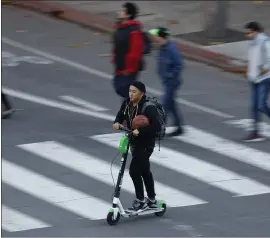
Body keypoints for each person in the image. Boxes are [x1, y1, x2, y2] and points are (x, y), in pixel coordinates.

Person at [113, 81, 161, 211]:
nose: (131, 94)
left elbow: (157, 126)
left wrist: (140, 130)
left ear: (142, 93)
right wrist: (117, 122)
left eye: (134, 92)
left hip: (146, 144)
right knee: (145, 171)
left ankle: (140, 200)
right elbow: (121, 114)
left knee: (134, 171)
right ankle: (152, 200)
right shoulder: (127, 103)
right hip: (133, 142)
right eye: (130, 91)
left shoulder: (148, 107)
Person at [148, 27, 184, 136]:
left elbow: (179, 64)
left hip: (172, 82)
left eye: (155, 36)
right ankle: (179, 127)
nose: (153, 38)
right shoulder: (162, 48)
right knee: (171, 104)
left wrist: (170, 75)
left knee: (165, 105)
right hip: (166, 81)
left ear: (160, 37)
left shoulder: (171, 49)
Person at [111, 2, 145, 100]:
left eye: (122, 11)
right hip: (121, 67)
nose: (118, 12)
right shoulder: (121, 28)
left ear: (128, 14)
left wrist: (129, 69)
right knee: (123, 92)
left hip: (128, 70)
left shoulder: (134, 31)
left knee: (123, 90)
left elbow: (135, 53)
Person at [244, 21, 270, 142]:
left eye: (249, 32)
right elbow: (252, 60)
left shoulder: (265, 42)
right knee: (254, 107)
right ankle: (255, 132)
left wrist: (263, 70)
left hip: (264, 78)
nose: (247, 35)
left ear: (255, 31)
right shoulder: (252, 43)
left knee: (261, 105)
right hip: (254, 79)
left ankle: (255, 131)